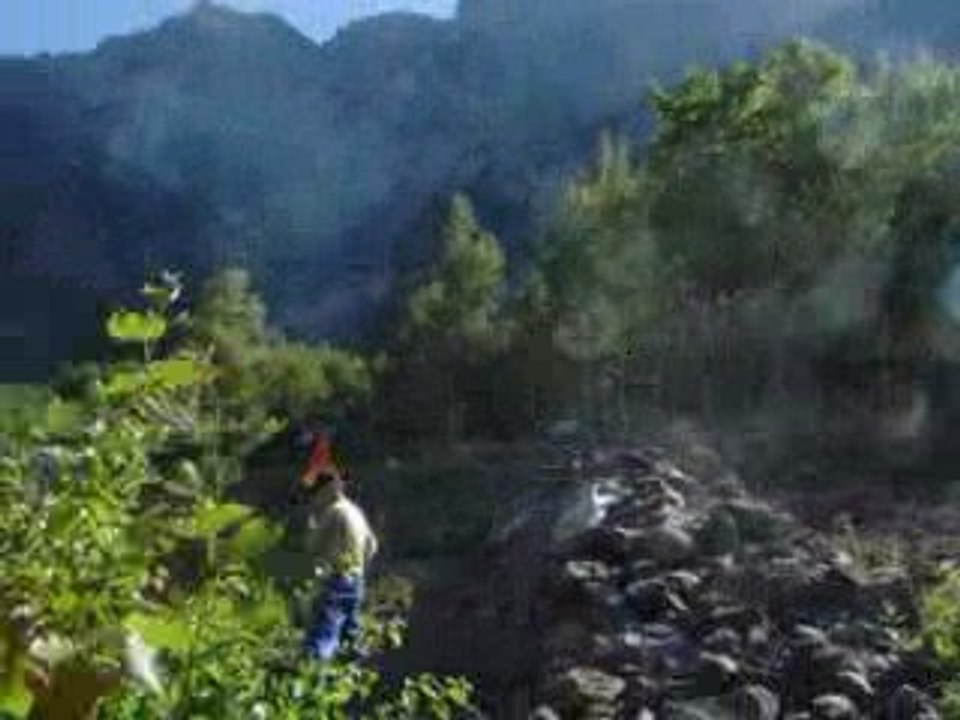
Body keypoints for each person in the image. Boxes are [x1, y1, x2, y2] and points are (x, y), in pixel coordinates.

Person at [298, 433, 379, 661]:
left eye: (315, 493)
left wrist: (311, 525)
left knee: (320, 641)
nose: (313, 499)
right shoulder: (355, 510)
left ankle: (313, 682)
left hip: (337, 579)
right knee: (348, 639)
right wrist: (358, 565)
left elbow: (311, 546)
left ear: (326, 491)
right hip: (357, 581)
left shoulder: (333, 512)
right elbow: (372, 546)